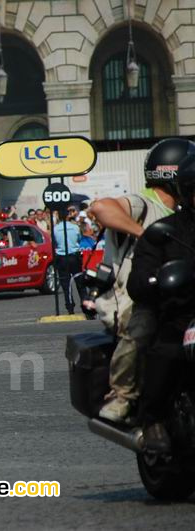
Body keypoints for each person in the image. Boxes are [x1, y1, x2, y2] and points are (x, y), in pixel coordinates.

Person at [90, 138, 182, 423]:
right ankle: (123, 395)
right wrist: (144, 234)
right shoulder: (143, 203)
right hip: (137, 298)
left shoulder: (185, 214)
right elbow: (101, 207)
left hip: (180, 294)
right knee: (143, 327)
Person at [127, 141, 195, 453]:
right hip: (183, 315)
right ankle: (152, 419)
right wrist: (160, 281)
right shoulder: (164, 231)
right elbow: (138, 281)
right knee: (167, 352)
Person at [53, 207, 82, 315]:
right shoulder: (75, 227)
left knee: (66, 285)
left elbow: (54, 241)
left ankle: (70, 307)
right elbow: (79, 239)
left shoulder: (55, 229)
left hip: (62, 257)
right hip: (74, 256)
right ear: (67, 215)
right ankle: (85, 304)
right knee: (80, 283)